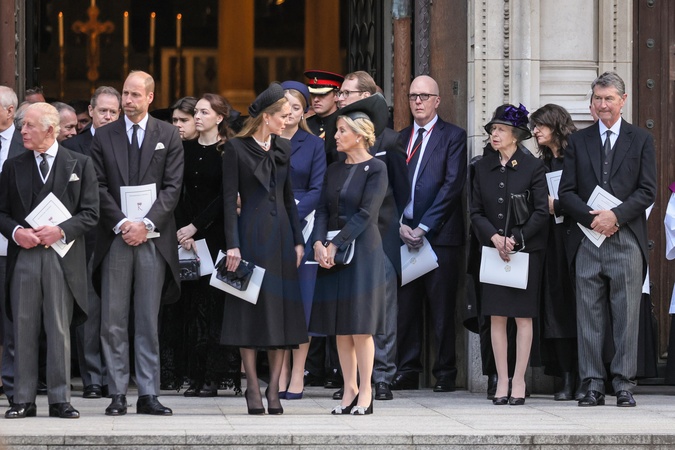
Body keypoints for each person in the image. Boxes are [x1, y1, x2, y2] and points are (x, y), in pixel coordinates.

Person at [559, 71, 656, 408]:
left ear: (622, 100)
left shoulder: (640, 139)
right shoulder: (578, 141)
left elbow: (647, 190)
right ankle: (592, 384)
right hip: (587, 240)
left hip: (626, 238)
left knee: (626, 315)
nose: (603, 105)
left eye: (609, 99)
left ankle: (624, 384)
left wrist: (615, 216)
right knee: (589, 314)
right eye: (598, 99)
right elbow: (566, 192)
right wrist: (593, 219)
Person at [91, 70, 183, 416]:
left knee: (147, 318)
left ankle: (148, 393)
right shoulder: (104, 135)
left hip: (153, 239)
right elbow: (97, 185)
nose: (127, 100)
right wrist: (122, 223)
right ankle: (117, 392)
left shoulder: (168, 134)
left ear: (150, 97)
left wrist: (145, 225)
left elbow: (173, 187)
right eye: (124, 94)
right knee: (113, 319)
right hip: (116, 237)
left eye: (134, 95)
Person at [0, 102, 99, 418]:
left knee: (59, 328)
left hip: (62, 257)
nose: (23, 131)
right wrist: (16, 232)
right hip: (25, 257)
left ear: (50, 130)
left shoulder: (80, 164)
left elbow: (91, 213)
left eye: (29, 125)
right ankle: (23, 399)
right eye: (22, 125)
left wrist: (61, 230)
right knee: (23, 328)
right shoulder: (13, 166)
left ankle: (60, 400)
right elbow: (1, 212)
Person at [220, 82, 307, 415]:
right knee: (248, 312)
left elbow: (288, 197)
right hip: (249, 239)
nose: (288, 121)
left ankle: (274, 389)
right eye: (283, 116)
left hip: (282, 239)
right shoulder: (236, 149)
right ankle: (253, 387)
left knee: (279, 314)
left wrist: (298, 240)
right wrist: (233, 245)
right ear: (267, 117)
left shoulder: (283, 147)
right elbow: (228, 201)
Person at [337, 71, 409, 401]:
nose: (340, 98)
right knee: (349, 309)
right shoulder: (338, 137)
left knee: (382, 309)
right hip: (346, 238)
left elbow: (402, 191)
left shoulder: (390, 141)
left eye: (346, 93)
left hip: (380, 237)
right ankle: (351, 381)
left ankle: (382, 376)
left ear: (366, 97)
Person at [470, 103, 548, 406]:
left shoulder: (533, 167)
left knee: (523, 318)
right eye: (493, 129)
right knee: (497, 317)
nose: (495, 134)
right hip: (493, 252)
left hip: (525, 252)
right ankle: (501, 379)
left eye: (501, 129)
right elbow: (475, 211)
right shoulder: (481, 167)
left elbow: (541, 211)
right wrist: (494, 237)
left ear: (516, 135)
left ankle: (519, 379)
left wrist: (515, 238)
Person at [393, 75, 467, 393]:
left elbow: (452, 186)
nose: (418, 101)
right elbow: (390, 186)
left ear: (437, 100)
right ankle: (407, 370)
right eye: (413, 96)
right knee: (406, 308)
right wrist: (399, 224)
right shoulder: (399, 139)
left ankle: (445, 372)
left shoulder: (454, 136)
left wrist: (424, 227)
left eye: (424, 96)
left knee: (441, 308)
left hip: (440, 237)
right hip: (403, 235)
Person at [171, 93, 240, 398]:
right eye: (196, 112)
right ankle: (195, 375)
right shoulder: (184, 149)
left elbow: (226, 196)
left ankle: (214, 375)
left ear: (219, 117)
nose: (197, 117)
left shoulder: (229, 149)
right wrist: (184, 231)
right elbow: (177, 191)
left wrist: (196, 226)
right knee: (193, 305)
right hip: (188, 237)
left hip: (217, 234)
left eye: (203, 112)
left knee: (216, 306)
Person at [62, 86, 121, 400]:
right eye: (103, 111)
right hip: (83, 238)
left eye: (113, 112)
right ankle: (92, 378)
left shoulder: (126, 143)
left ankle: (115, 376)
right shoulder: (73, 145)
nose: (108, 116)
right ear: (91, 111)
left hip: (118, 235)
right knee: (89, 310)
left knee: (115, 311)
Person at [277, 80, 326, 400]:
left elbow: (318, 188)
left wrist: (293, 213)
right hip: (270, 226)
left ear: (305, 111)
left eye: (296, 107)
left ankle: (298, 373)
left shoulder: (313, 144)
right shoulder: (266, 139)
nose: (290, 112)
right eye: (285, 106)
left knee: (302, 305)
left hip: (304, 227)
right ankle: (279, 371)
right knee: (278, 303)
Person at [529, 104, 579, 400]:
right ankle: (565, 376)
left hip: (577, 240)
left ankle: (586, 376)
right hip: (549, 243)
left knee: (580, 307)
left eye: (540, 125)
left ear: (556, 125)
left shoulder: (578, 157)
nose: (535, 131)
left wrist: (557, 205)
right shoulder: (542, 163)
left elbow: (588, 197)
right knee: (555, 308)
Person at [0, 86, 27, 407]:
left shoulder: (26, 144)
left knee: (13, 321)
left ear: (10, 111)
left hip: (14, 245)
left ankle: (13, 387)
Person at [304, 69, 343, 166]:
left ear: (336, 95)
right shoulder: (305, 125)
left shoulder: (345, 124)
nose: (316, 99)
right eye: (313, 94)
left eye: (323, 94)